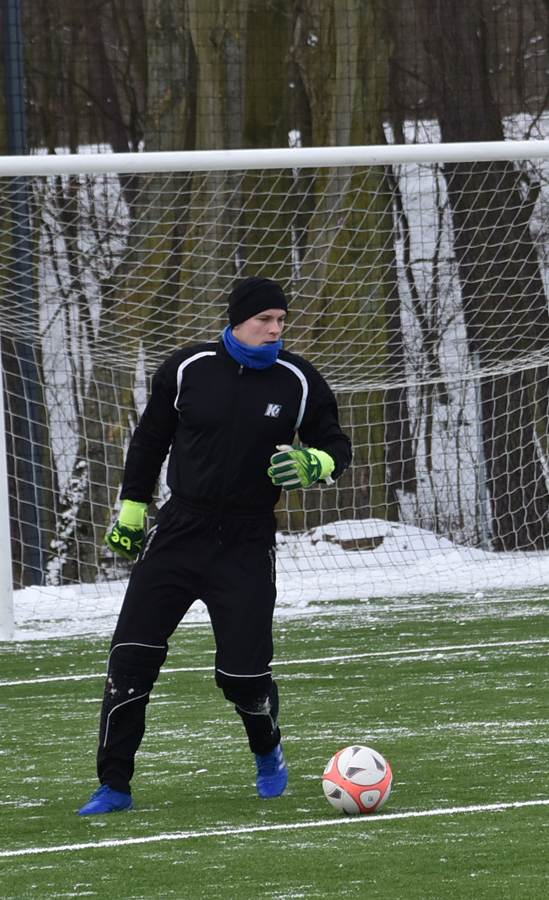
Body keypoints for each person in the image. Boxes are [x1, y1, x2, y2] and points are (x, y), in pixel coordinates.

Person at [78, 275, 353, 816]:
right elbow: (150, 440)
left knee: (243, 677)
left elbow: (336, 445)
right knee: (130, 658)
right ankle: (114, 785)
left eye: (280, 321)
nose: (275, 329)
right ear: (237, 320)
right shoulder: (187, 369)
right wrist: (133, 506)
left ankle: (268, 749)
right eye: (264, 321)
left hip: (248, 540)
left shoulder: (297, 380)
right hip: (180, 530)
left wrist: (312, 464)